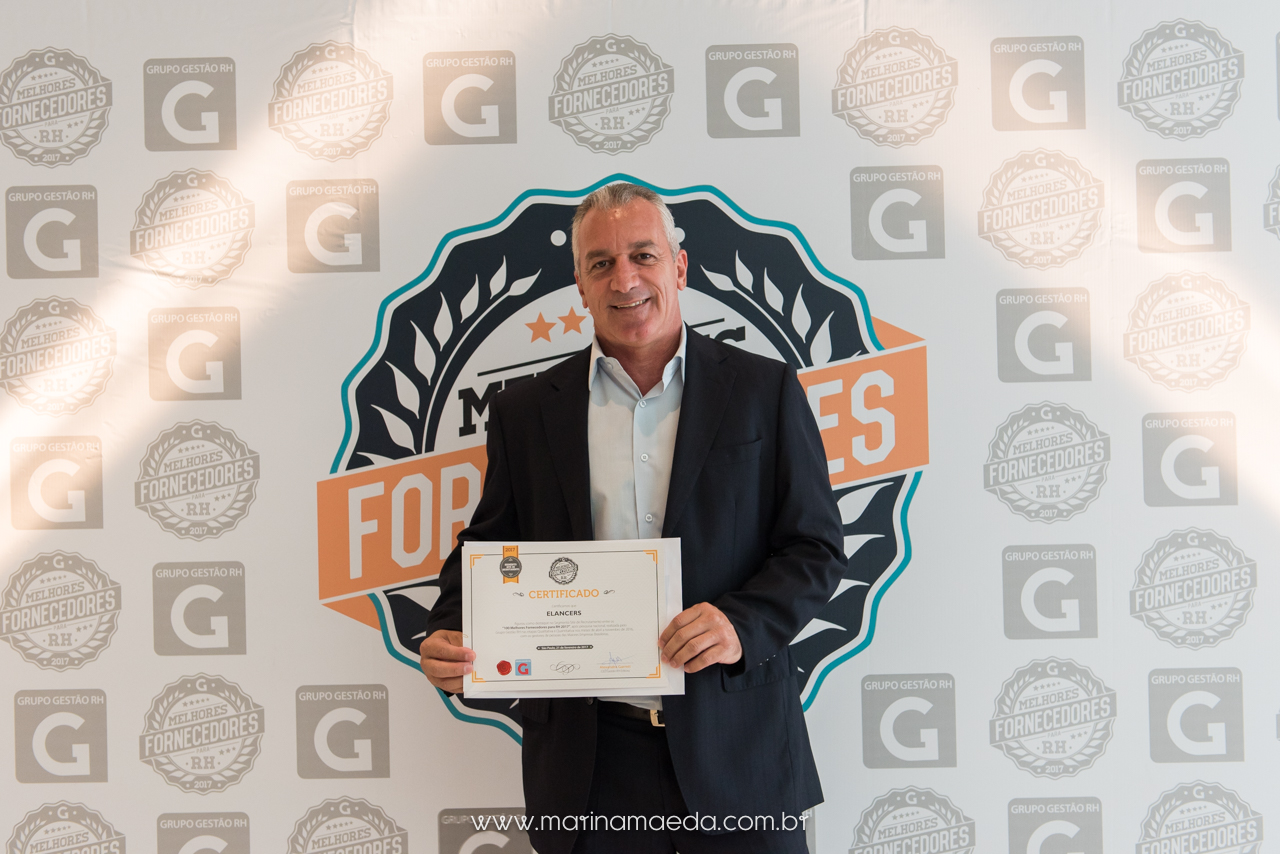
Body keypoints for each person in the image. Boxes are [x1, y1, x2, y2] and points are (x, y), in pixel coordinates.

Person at [420, 182, 845, 854]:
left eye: (643, 255)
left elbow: (815, 547)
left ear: (678, 266)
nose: (625, 280)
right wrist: (450, 627)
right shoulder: (524, 412)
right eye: (601, 264)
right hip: (591, 765)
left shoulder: (765, 390)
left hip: (738, 748)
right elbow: (491, 544)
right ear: (580, 286)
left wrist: (741, 624)